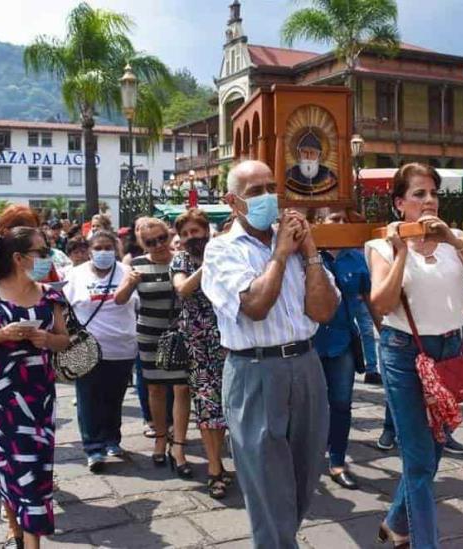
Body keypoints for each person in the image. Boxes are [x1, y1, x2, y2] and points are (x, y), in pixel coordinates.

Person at [202, 160, 339, 548]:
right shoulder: (221, 251)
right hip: (255, 370)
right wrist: (280, 255)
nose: (268, 197)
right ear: (233, 201)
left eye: (272, 187)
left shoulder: (295, 241)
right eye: (256, 191)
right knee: (266, 485)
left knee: (304, 476)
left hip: (306, 365)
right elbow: (256, 305)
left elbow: (325, 310)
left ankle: (280, 541)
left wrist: (310, 252)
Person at [366, 163, 463, 548]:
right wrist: (402, 252)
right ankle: (422, 541)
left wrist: (451, 238)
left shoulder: (454, 238)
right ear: (400, 203)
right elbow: (382, 304)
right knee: (419, 458)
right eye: (418, 194)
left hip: (451, 351)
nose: (429, 200)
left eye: (433, 193)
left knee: (436, 446)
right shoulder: (380, 246)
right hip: (405, 353)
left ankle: (395, 522)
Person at [0, 227, 69, 549]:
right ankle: (18, 530)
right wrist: (2, 334)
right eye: (40, 251)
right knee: (6, 464)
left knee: (35, 467)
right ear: (19, 257)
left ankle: (28, 536)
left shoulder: (50, 294)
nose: (45, 257)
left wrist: (47, 340)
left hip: (38, 395)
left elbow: (65, 340)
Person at [116, 217, 192, 476]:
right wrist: (129, 282)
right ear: (142, 244)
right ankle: (161, 437)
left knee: (182, 388)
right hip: (149, 334)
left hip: (182, 333)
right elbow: (119, 299)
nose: (158, 245)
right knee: (156, 388)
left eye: (162, 238)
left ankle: (179, 445)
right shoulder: (136, 265)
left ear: (169, 235)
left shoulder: (184, 260)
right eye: (150, 242)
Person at [64, 230, 138, 472]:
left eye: (109, 247)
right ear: (89, 249)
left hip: (122, 347)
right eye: (99, 247)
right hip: (88, 349)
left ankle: (111, 439)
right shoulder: (75, 274)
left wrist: (130, 284)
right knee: (88, 398)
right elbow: (65, 308)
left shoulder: (127, 272)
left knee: (114, 398)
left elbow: (132, 303)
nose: (104, 252)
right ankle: (93, 447)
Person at [170, 209, 230, 499]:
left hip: (230, 342)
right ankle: (214, 468)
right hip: (198, 347)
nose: (192, 238)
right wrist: (208, 266)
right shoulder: (181, 260)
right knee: (207, 406)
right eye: (186, 234)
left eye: (197, 231)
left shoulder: (224, 255)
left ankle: (220, 460)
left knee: (226, 408)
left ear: (207, 231)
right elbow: (182, 288)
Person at [313, 208, 373, 490]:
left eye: (344, 221)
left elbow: (371, 302)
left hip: (342, 342)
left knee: (341, 403)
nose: (341, 224)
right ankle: (309, 455)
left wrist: (385, 336)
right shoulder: (307, 255)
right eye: (335, 219)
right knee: (309, 406)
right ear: (320, 223)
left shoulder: (357, 259)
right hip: (309, 343)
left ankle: (337, 460)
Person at [0, 205, 58, 299]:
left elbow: (60, 301)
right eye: (25, 232)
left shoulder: (43, 261)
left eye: (36, 231)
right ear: (5, 232)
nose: (34, 237)